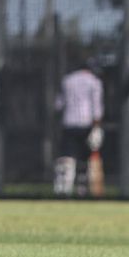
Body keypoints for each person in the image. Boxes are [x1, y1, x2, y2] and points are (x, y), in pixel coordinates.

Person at [54, 59, 104, 199]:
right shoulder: (94, 82)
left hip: (68, 123)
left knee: (67, 157)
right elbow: (97, 108)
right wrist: (97, 128)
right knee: (84, 159)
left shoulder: (67, 80)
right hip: (87, 124)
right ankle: (82, 190)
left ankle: (63, 189)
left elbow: (58, 105)